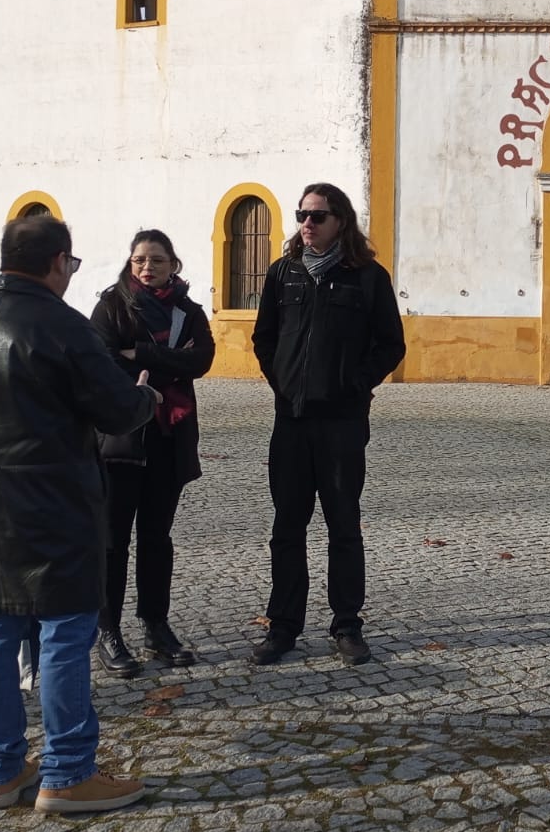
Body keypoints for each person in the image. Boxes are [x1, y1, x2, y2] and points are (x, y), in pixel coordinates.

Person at [0, 214, 159, 814]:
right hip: (56, 499)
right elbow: (116, 408)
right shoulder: (64, 327)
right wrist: (146, 398)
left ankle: (0, 772)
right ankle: (67, 772)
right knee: (62, 634)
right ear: (58, 261)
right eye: (71, 265)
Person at [249, 183, 406, 667]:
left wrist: (354, 386)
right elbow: (264, 339)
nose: (307, 223)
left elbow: (390, 344)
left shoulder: (367, 277)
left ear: (340, 220)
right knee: (287, 527)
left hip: (341, 423)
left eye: (317, 215)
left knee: (343, 526)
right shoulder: (283, 274)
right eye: (302, 214)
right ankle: (283, 627)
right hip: (292, 422)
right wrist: (285, 385)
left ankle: (346, 624)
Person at [89, 229, 216, 678]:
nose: (147, 267)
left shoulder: (188, 310)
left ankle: (155, 625)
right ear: (130, 263)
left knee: (157, 539)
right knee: (112, 540)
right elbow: (101, 362)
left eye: (157, 260)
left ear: (173, 264)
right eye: (140, 259)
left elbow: (202, 360)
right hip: (122, 441)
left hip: (169, 437)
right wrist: (166, 359)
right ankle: (108, 631)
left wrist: (141, 353)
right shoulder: (111, 307)